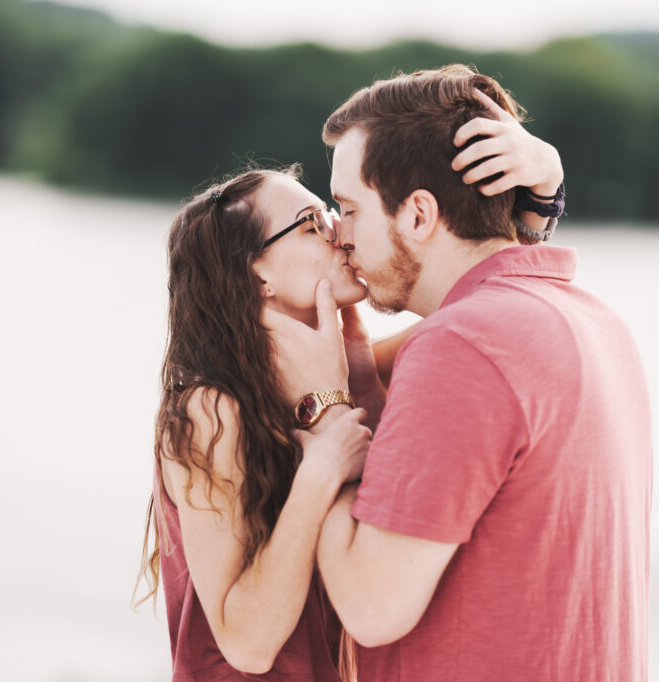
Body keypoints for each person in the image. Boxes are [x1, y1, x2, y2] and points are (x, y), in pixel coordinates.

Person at [135, 74, 564, 679]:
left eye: (336, 212)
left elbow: (496, 311)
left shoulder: (355, 366)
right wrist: (321, 466)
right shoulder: (210, 411)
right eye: (312, 223)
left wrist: (543, 191)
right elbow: (247, 644)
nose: (340, 231)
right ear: (257, 276)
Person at [265, 65, 653, 681]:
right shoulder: (591, 321)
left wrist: (328, 404)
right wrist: (544, 195)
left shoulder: (464, 345)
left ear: (419, 215)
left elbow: (371, 606)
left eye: (348, 208)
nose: (340, 236)